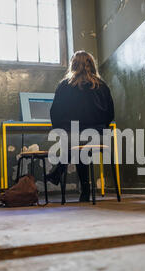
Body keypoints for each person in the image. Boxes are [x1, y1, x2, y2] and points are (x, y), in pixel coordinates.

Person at [46, 51, 115, 202]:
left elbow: (55, 112)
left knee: (75, 143)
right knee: (81, 143)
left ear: (73, 65)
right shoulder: (102, 86)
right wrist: (102, 127)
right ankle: (62, 176)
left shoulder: (65, 86)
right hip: (99, 134)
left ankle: (77, 184)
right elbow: (110, 113)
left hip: (73, 133)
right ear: (92, 65)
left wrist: (61, 130)